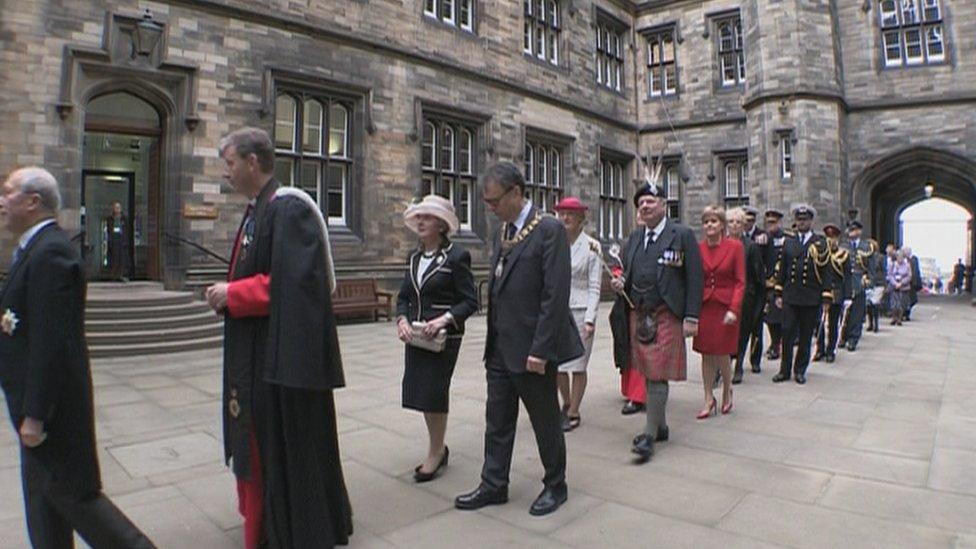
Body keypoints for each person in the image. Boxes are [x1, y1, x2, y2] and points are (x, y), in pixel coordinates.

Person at [205, 128, 352, 548]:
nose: (226, 172)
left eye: (230, 163)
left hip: (277, 361)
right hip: (258, 351)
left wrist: (233, 293)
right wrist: (229, 293)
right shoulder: (259, 209)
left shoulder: (288, 209)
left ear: (253, 162)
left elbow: (294, 285)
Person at [0, 167, 155, 548]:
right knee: (44, 508)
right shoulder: (35, 248)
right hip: (34, 410)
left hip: (53, 416)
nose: (1, 202)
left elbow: (53, 343)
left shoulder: (51, 252)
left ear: (33, 201)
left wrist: (35, 414)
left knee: (79, 502)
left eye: (7, 193)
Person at [455, 162, 582, 517]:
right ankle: (494, 483)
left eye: (494, 201)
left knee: (544, 421)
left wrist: (541, 350)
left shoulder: (549, 230)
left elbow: (554, 295)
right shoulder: (506, 231)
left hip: (532, 350)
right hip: (500, 347)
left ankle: (556, 485)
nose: (490, 209)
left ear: (515, 192)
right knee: (497, 420)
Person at [609, 182, 702, 463]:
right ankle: (661, 426)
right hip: (639, 313)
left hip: (667, 313)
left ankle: (649, 434)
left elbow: (695, 278)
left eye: (650, 201)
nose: (645, 206)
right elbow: (628, 271)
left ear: (663, 204)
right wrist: (619, 283)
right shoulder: (635, 238)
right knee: (648, 371)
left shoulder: (682, 235)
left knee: (658, 372)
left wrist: (691, 318)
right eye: (641, 203)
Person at [395, 195, 478, 482]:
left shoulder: (457, 257)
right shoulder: (413, 258)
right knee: (421, 394)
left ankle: (435, 453)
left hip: (443, 339)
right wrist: (402, 320)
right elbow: (404, 296)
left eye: (427, 217)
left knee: (434, 394)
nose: (420, 221)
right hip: (418, 338)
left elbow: (470, 301)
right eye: (418, 216)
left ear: (442, 225)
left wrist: (443, 319)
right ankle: (438, 446)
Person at [552, 197, 601, 432]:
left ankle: (574, 410)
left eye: (570, 214)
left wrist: (590, 319)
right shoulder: (553, 244)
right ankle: (567, 402)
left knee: (578, 365)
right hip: (558, 312)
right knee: (558, 365)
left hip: (582, 311)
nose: (565, 218)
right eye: (562, 213)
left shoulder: (592, 246)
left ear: (581, 219)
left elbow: (595, 287)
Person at [693, 206, 744, 417]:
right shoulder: (698, 248)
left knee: (722, 352)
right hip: (705, 307)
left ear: (722, 225)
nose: (709, 225)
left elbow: (740, 282)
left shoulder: (735, 247)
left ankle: (726, 390)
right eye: (706, 222)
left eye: (713, 221)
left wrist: (734, 308)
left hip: (725, 308)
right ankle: (707, 397)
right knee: (705, 353)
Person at [772, 204, 831, 385]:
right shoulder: (789, 242)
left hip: (810, 296)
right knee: (787, 333)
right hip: (791, 295)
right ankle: (784, 370)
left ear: (811, 221)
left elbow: (826, 270)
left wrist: (826, 296)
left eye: (805, 220)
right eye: (799, 220)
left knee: (805, 335)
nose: (802, 223)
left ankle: (800, 370)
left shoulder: (820, 242)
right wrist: (778, 292)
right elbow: (783, 269)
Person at [728, 207, 765, 383]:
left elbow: (758, 276)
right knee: (725, 332)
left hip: (745, 296)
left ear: (744, 225)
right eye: (731, 222)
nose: (734, 225)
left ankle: (738, 366)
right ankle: (723, 366)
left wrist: (760, 301)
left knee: (742, 333)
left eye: (738, 222)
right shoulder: (721, 243)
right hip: (724, 295)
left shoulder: (750, 247)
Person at [814, 224, 851, 364]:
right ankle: (820, 349)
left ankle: (831, 351)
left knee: (833, 323)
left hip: (836, 292)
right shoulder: (821, 253)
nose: (831, 240)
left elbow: (847, 276)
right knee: (819, 323)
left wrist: (848, 296)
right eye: (829, 237)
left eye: (833, 237)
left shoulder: (843, 255)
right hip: (821, 292)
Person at [840, 221, 876, 351]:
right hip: (845, 281)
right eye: (850, 230)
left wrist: (870, 283)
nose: (851, 232)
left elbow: (871, 268)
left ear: (859, 231)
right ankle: (842, 337)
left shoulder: (866, 247)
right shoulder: (843, 246)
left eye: (854, 230)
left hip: (859, 281)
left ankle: (853, 339)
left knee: (857, 313)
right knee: (843, 312)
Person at [742, 205, 769, 371]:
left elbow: (770, 260)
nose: (748, 224)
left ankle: (755, 360)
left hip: (757, 285)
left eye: (751, 221)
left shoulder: (763, 237)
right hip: (742, 286)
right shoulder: (734, 237)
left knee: (757, 327)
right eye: (745, 221)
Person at [763, 209, 787, 361]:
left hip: (783, 283)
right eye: (769, 222)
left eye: (774, 222)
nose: (771, 225)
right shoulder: (764, 238)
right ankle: (774, 343)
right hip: (768, 283)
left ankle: (780, 344)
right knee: (770, 317)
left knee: (782, 316)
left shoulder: (787, 238)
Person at [102, 200, 131, 281]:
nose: (117, 209)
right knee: (114, 258)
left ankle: (121, 275)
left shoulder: (124, 219)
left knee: (122, 258)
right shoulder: (110, 219)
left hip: (121, 240)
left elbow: (126, 230)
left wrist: (126, 240)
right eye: (116, 208)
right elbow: (108, 230)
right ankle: (113, 275)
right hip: (113, 240)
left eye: (118, 208)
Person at [887, 248, 913, 325]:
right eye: (898, 257)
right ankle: (893, 318)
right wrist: (895, 283)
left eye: (901, 257)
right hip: (894, 286)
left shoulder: (907, 265)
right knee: (894, 303)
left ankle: (899, 318)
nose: (899, 258)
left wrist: (901, 283)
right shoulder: (892, 264)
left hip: (903, 287)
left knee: (901, 303)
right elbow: (890, 275)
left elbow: (909, 276)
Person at [905, 247, 922, 321]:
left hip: (912, 283)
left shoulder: (913, 260)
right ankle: (906, 313)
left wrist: (915, 282)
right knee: (907, 299)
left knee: (912, 299)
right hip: (907, 282)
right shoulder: (906, 260)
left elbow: (915, 272)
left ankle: (907, 313)